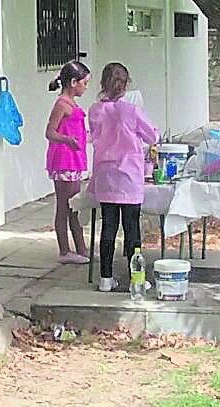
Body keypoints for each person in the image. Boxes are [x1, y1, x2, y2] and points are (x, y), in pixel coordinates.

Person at [87, 62, 158, 293]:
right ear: (126, 85)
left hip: (105, 174)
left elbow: (95, 137)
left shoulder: (95, 110)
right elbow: (153, 135)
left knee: (108, 227)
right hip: (129, 176)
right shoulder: (132, 110)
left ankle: (105, 278)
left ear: (102, 84)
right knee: (131, 229)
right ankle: (136, 278)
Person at [44, 60, 92, 265]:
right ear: (74, 82)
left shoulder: (72, 104)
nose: (85, 86)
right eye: (84, 82)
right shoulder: (62, 105)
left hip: (74, 160)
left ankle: (81, 248)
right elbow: (50, 133)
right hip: (64, 161)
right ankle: (65, 250)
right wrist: (67, 140)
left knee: (74, 206)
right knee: (65, 206)